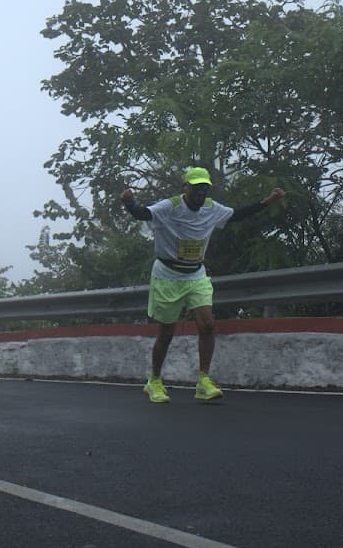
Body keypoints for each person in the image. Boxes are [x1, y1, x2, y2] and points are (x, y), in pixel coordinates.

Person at [121, 167, 285, 404]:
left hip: (195, 274)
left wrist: (267, 202)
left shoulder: (211, 208)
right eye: (196, 187)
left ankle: (203, 381)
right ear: (185, 187)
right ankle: (154, 380)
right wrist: (130, 203)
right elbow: (143, 214)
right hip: (168, 275)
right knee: (166, 333)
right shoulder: (170, 206)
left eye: (204, 188)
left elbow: (236, 215)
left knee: (207, 324)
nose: (200, 192)